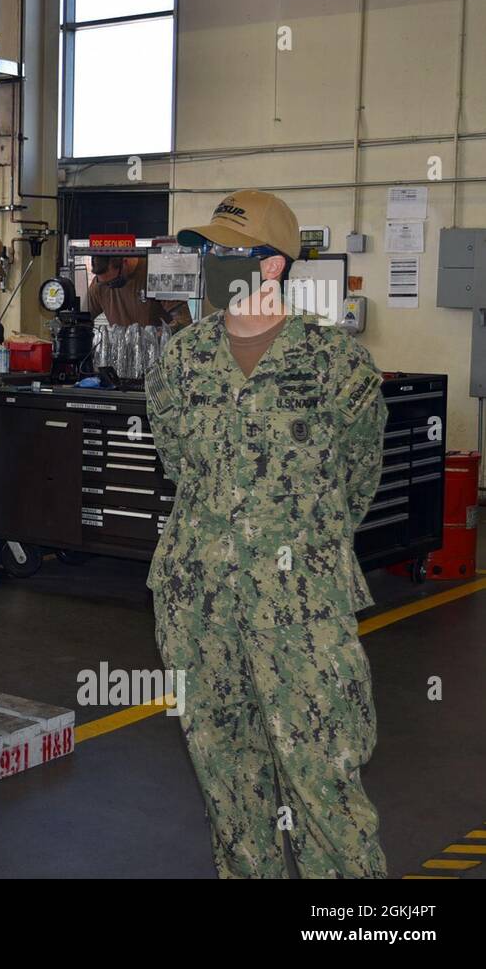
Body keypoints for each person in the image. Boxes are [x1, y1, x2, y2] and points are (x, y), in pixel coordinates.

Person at [145, 189, 388, 878]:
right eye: (207, 252)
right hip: (199, 609)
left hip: (302, 617)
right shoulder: (181, 363)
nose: (211, 265)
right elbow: (178, 465)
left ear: (274, 265)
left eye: (227, 253)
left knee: (325, 792)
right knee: (229, 790)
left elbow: (355, 485)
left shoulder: (338, 368)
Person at [86, 253, 191, 329]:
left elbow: (184, 323)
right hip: (123, 354)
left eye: (114, 282)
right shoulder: (99, 285)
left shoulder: (158, 273)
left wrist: (151, 338)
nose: (109, 287)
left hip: (159, 354)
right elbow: (82, 320)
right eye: (105, 283)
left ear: (125, 262)